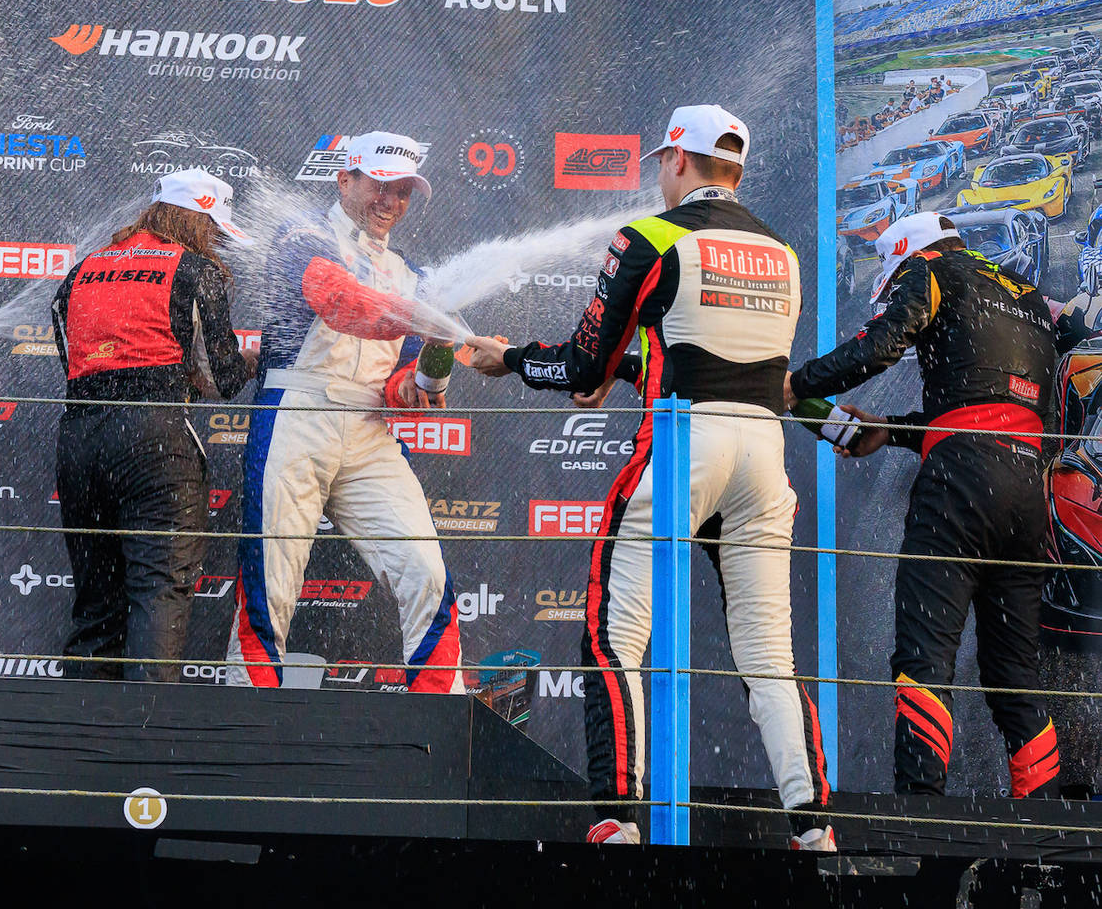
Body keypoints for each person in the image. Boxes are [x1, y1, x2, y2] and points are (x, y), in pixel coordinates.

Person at [467, 105, 833, 849]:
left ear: (675, 160)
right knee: (770, 658)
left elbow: (581, 367)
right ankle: (815, 829)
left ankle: (618, 822)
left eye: (661, 163)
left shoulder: (649, 236)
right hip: (764, 457)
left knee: (613, 639)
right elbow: (718, 360)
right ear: (734, 170)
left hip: (682, 448)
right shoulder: (781, 250)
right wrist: (628, 368)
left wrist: (509, 359)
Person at [786, 211, 1088, 800]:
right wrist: (893, 430)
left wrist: (799, 384)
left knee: (924, 658)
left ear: (911, 252)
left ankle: (920, 819)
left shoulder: (930, 269)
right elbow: (992, 408)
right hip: (1029, 495)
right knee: (1015, 678)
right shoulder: (1027, 295)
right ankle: (1045, 829)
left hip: (959, 487)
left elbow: (880, 346)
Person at [225, 131, 463, 693]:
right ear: (345, 179)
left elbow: (403, 382)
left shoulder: (411, 274)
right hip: (297, 411)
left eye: (403, 192)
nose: (391, 202)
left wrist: (424, 381)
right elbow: (339, 302)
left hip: (369, 431)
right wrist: (425, 319)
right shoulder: (302, 234)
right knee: (272, 582)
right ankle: (246, 719)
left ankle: (441, 715)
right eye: (381, 186)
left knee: (425, 570)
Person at [51, 170, 254, 681]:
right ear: (200, 220)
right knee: (158, 593)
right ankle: (145, 729)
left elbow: (75, 363)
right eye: (214, 229)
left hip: (80, 439)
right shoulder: (194, 269)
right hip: (155, 440)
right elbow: (223, 379)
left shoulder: (83, 269)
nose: (216, 241)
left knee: (96, 601)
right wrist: (250, 360)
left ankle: (78, 726)